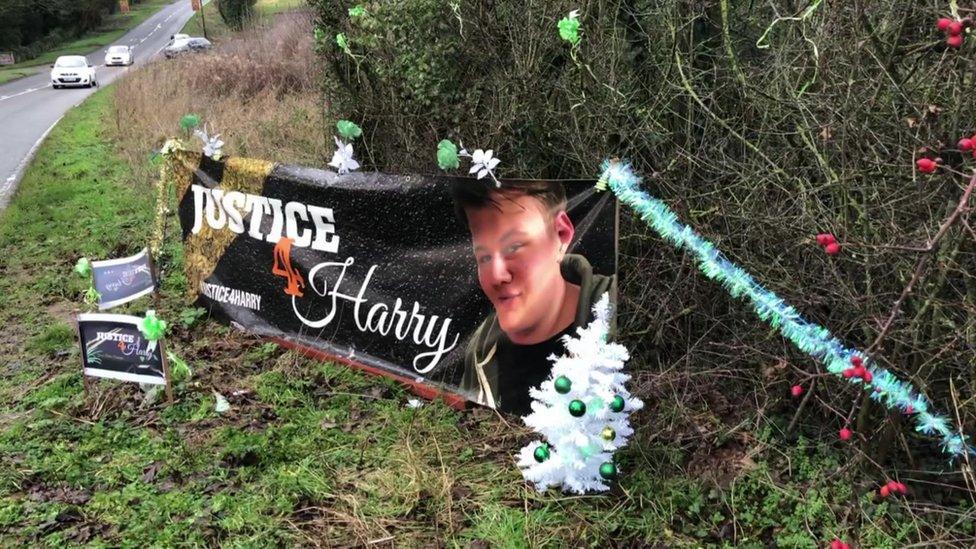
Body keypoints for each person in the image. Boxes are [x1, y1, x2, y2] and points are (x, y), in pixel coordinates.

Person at [452, 178, 616, 415]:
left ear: (561, 234)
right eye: (484, 257)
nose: (497, 276)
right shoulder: (481, 350)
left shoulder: (616, 314)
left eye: (514, 247)